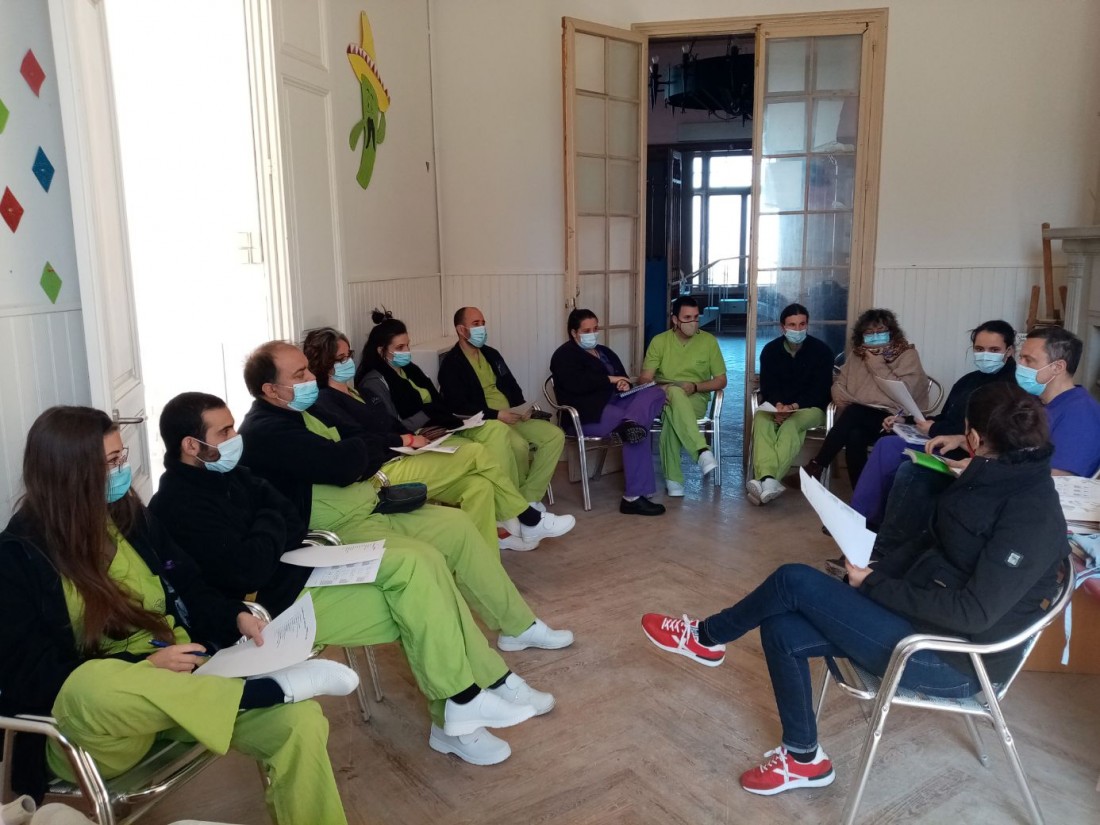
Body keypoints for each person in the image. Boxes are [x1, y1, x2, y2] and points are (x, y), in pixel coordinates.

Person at [642, 383, 1066, 796]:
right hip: (921, 623)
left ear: (973, 437)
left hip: (953, 660)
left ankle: (706, 638)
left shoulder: (1031, 513)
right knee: (782, 629)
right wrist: (874, 567)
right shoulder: (994, 478)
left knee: (792, 579)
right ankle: (803, 758)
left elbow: (973, 613)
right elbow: (934, 544)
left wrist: (874, 584)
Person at [150, 392, 557, 766]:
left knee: (423, 574)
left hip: (293, 575)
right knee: (419, 603)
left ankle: (464, 704)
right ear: (191, 445)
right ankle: (463, 707)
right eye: (224, 432)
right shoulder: (176, 503)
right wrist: (269, 520)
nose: (235, 438)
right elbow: (250, 566)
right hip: (263, 614)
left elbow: (289, 520)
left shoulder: (229, 475)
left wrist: (266, 524)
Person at [0, 407, 360, 824]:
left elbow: (189, 584)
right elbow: (28, 678)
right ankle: (258, 693)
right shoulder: (17, 557)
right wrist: (146, 666)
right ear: (69, 473)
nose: (123, 470)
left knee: (299, 720)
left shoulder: (129, 518)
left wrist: (235, 616)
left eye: (121, 456)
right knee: (87, 685)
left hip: (188, 687)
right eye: (111, 462)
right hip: (100, 730)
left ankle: (267, 696)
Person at [236, 342, 574, 663]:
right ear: (270, 389)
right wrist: (362, 453)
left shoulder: (305, 410)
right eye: (299, 375)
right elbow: (343, 464)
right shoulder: (265, 430)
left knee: (458, 524)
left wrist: (360, 453)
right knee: (427, 558)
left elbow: (357, 444)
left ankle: (518, 627)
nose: (311, 378)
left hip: (369, 501)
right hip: (336, 529)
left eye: (308, 369)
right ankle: (471, 680)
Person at [305, 325, 574, 552]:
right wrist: (406, 440)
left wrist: (412, 436)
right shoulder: (328, 400)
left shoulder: (356, 392)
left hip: (409, 447)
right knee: (476, 452)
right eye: (340, 358)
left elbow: (392, 421)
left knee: (478, 486)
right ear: (325, 364)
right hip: (387, 467)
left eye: (349, 355)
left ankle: (485, 551)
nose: (348, 362)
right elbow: (364, 439)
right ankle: (527, 517)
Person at [871, 325, 1100, 557]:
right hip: (998, 480)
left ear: (1058, 367)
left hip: (1017, 495)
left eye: (1029, 360)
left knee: (914, 475)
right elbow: (1007, 447)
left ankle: (884, 557)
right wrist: (961, 441)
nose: (1020, 365)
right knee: (915, 468)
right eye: (1021, 357)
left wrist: (985, 469)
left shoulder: (1080, 413)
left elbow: (1058, 476)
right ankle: (895, 554)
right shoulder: (1033, 401)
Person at [849, 320, 1017, 525]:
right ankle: (865, 517)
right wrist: (907, 420)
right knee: (885, 442)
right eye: (979, 349)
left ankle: (861, 519)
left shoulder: (1012, 387)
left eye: (994, 350)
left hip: (963, 452)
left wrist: (935, 428)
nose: (985, 355)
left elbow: (988, 433)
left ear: (1009, 351)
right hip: (940, 439)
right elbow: (946, 417)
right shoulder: (968, 380)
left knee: (889, 449)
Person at [438, 306, 566, 505]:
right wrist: (496, 415)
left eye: (483, 323)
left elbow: (511, 384)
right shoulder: (451, 364)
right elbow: (458, 405)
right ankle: (518, 505)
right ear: (461, 330)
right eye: (476, 324)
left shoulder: (491, 354)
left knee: (554, 436)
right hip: (486, 421)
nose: (482, 329)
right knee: (519, 446)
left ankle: (528, 498)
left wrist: (522, 408)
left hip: (512, 415)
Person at [550, 308, 667, 516]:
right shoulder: (564, 355)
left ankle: (631, 422)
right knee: (636, 428)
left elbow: (623, 377)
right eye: (586, 331)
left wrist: (623, 384)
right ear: (574, 332)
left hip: (618, 403)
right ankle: (633, 497)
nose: (593, 334)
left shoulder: (604, 352)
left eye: (595, 329)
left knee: (655, 392)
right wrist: (610, 380)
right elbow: (576, 383)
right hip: (587, 413)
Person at [804, 308, 929, 487]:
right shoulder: (857, 355)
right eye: (869, 332)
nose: (875, 336)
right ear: (861, 335)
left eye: (881, 331)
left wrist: (876, 364)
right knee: (854, 435)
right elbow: (839, 386)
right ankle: (860, 494)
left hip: (894, 419)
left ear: (891, 332)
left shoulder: (907, 354)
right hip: (859, 419)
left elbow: (905, 393)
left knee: (855, 411)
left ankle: (817, 465)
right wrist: (852, 400)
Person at [638, 296, 726, 497]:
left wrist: (695, 386)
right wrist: (662, 388)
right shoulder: (660, 341)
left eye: (696, 317)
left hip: (696, 398)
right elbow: (644, 379)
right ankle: (701, 451)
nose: (693, 323)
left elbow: (721, 381)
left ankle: (674, 480)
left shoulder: (708, 341)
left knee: (672, 419)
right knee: (674, 393)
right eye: (687, 318)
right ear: (675, 320)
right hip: (663, 397)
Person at [748, 303, 833, 506]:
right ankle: (769, 482)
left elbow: (820, 391)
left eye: (802, 324)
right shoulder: (771, 350)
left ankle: (767, 479)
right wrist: (778, 405)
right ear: (782, 327)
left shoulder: (822, 351)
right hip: (778, 406)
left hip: (810, 408)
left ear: (807, 324)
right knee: (761, 419)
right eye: (792, 325)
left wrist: (793, 407)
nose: (798, 329)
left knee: (790, 425)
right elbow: (768, 385)